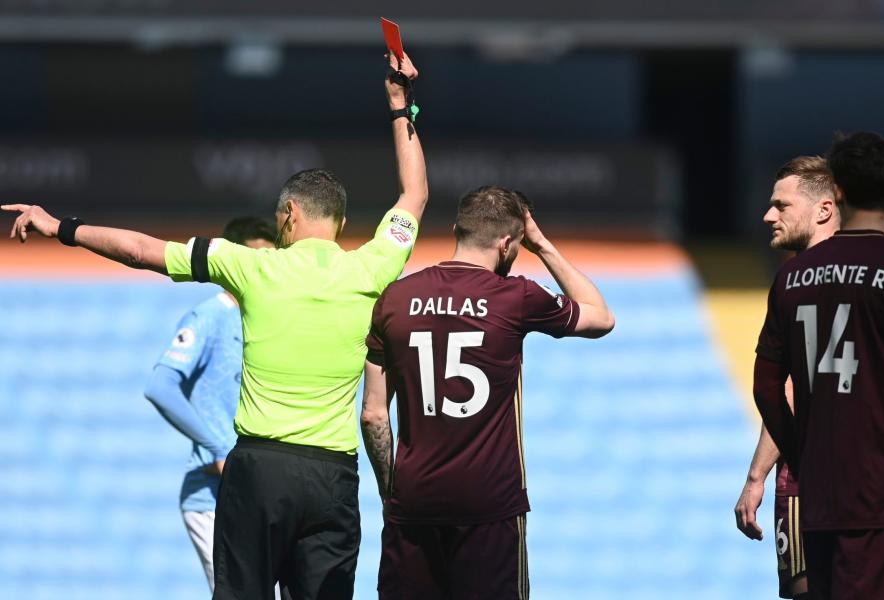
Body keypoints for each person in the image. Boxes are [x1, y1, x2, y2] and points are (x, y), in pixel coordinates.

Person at [3, 51, 426, 599]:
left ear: (288, 215)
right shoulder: (370, 266)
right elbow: (414, 194)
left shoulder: (247, 265)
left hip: (258, 470)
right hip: (332, 478)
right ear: (342, 222)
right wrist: (400, 104)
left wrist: (61, 227)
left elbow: (141, 250)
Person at [360, 186, 615, 599]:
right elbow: (601, 316)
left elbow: (373, 414)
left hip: (414, 503)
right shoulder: (516, 296)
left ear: (456, 228)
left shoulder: (396, 297)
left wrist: (392, 493)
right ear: (507, 243)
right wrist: (542, 245)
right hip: (489, 506)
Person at [753, 132, 884, 599]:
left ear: (837, 192)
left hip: (818, 495)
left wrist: (801, 453)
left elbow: (767, 386)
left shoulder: (791, 276)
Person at [143, 216, 274, 593]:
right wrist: (218, 447)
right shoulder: (212, 315)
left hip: (260, 489)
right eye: (255, 259)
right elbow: (161, 385)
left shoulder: (267, 317)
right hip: (212, 496)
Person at [734, 156, 838, 600]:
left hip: (807, 481)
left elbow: (789, 388)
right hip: (877, 481)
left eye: (781, 205)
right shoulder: (878, 275)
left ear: (823, 210)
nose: (768, 216)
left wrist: (757, 476)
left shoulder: (797, 283)